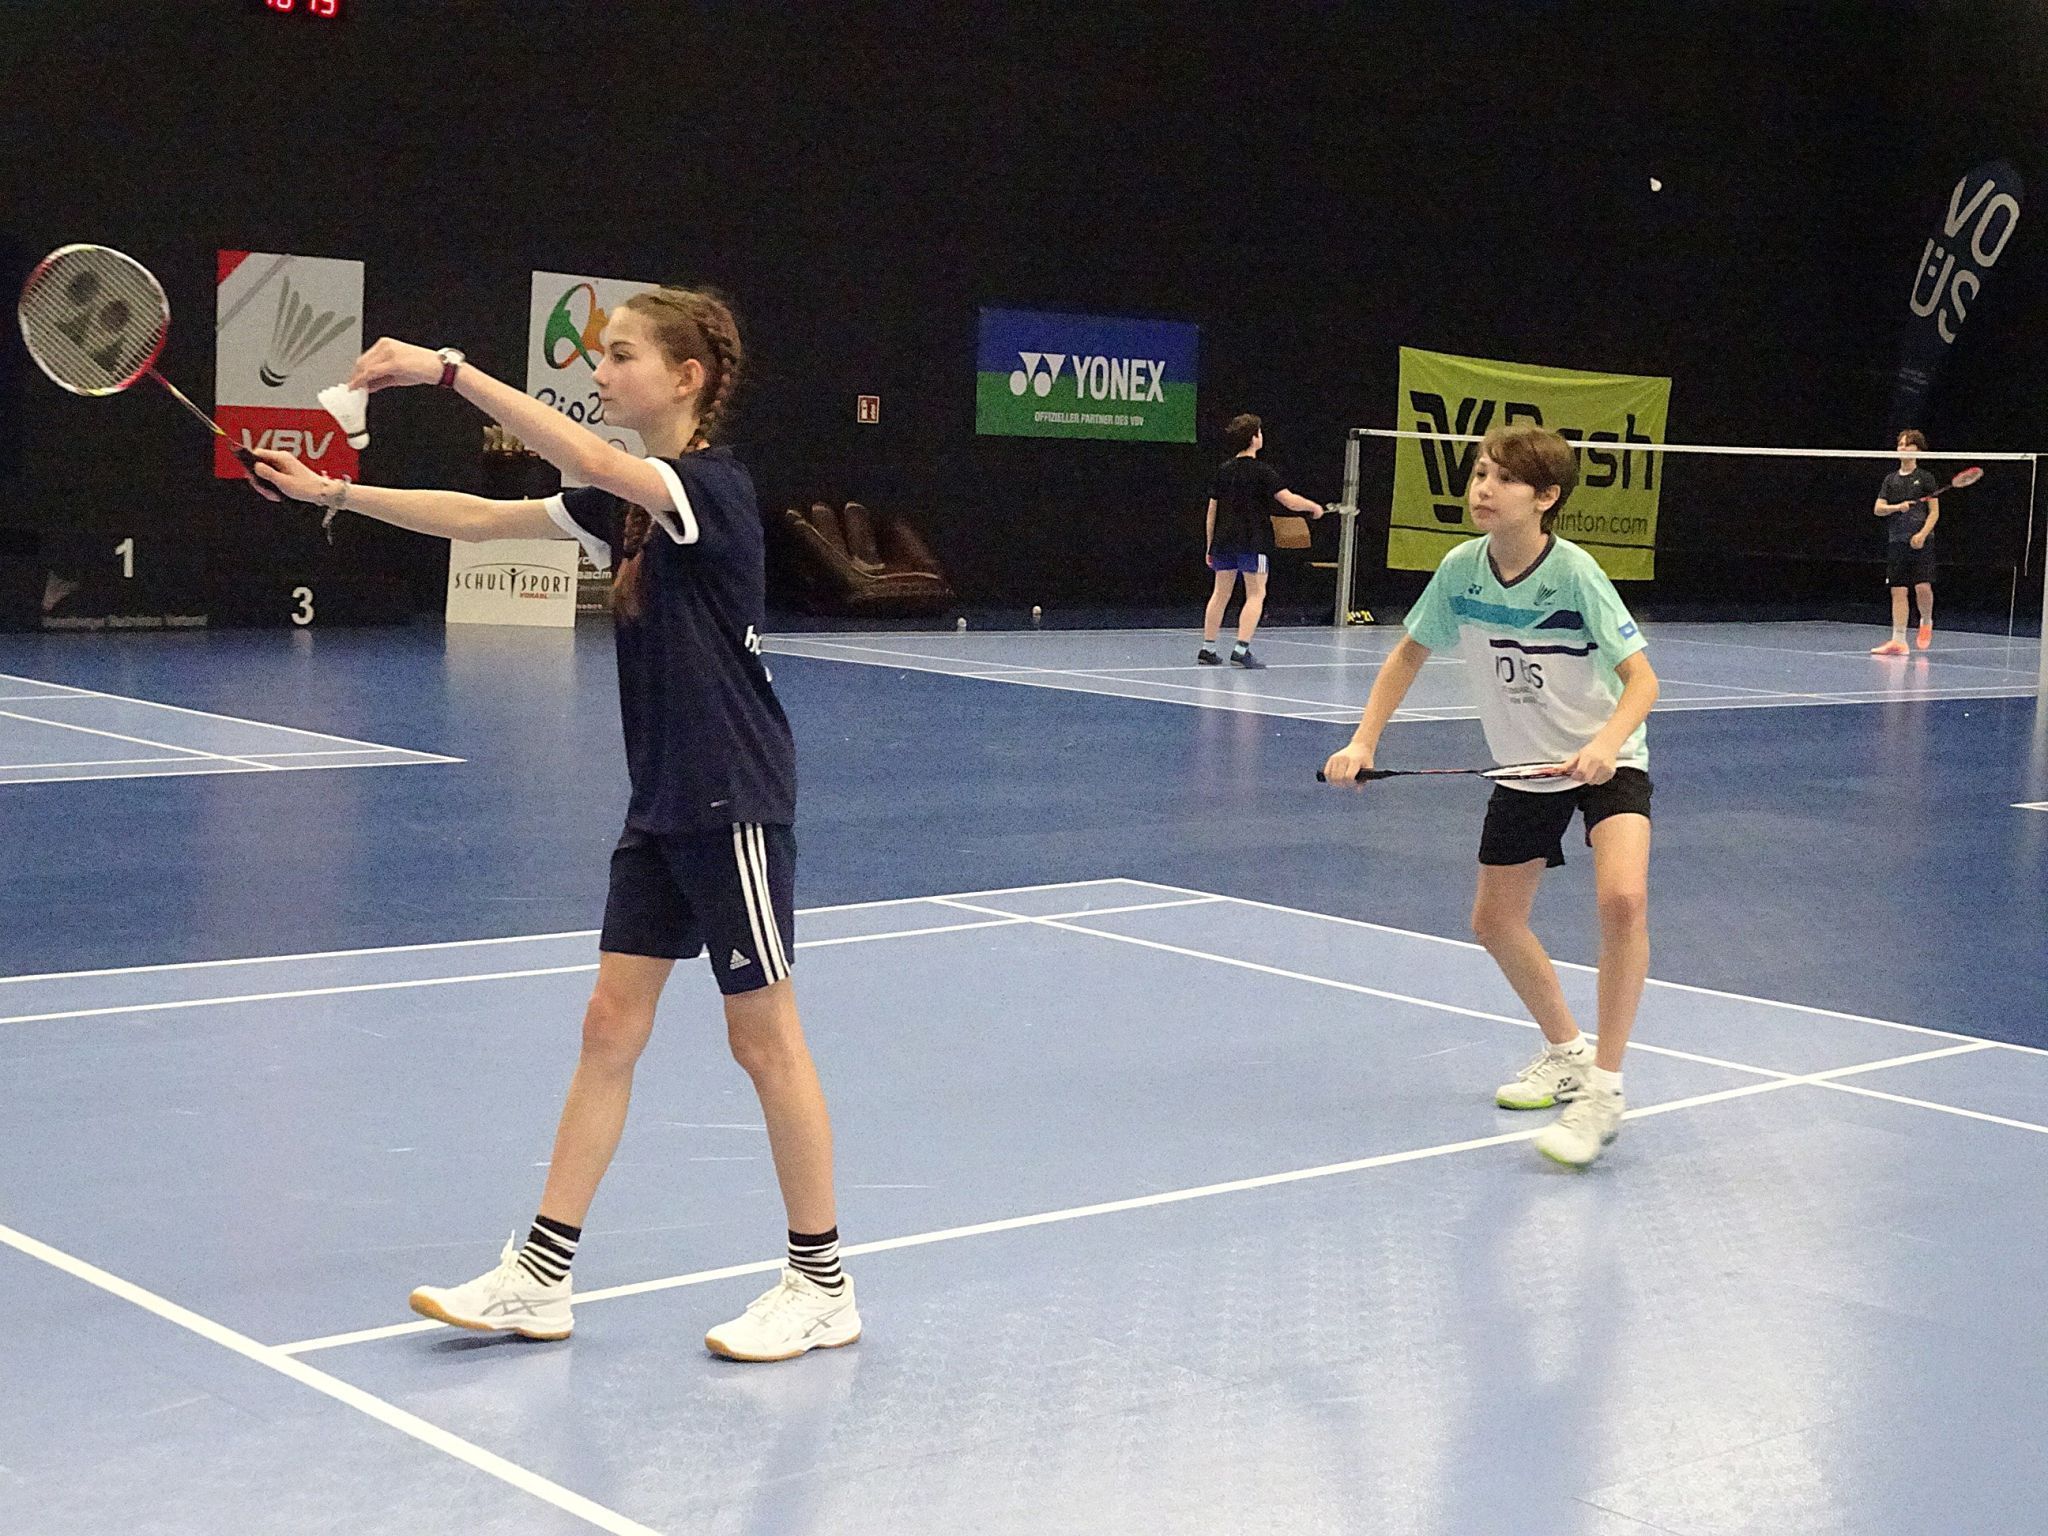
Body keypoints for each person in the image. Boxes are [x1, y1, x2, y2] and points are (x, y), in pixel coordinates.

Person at [246, 287, 859, 1361]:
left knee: (764, 1042)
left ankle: (822, 1284)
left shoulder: (704, 488)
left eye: (622, 356)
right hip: (662, 802)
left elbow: (590, 456)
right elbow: (480, 519)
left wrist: (447, 369)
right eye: (601, 355)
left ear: (687, 377)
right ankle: (538, 1278)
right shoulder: (626, 509)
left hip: (733, 798)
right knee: (608, 1027)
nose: (602, 371)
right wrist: (334, 493)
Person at [1321, 424, 1659, 1169]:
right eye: (1480, 474)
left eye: (1504, 479)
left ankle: (1604, 1089)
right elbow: (1408, 652)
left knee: (1622, 901)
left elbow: (1642, 681)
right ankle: (1567, 1053)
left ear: (1546, 497)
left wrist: (1605, 743)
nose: (1483, 489)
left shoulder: (1575, 574)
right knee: (1494, 921)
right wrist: (1363, 740)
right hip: (1525, 769)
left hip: (1606, 762)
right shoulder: (1461, 570)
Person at [1199, 413, 1326, 669]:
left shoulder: (1223, 471)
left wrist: (1210, 545)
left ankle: (1208, 648)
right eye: (1259, 432)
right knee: (1256, 594)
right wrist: (1314, 507)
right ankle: (1241, 650)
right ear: (1254, 437)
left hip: (1223, 542)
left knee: (1220, 594)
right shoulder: (1262, 471)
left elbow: (1211, 512)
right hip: (1252, 542)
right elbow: (1289, 500)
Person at [1870, 429, 1940, 655]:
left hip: (1921, 541)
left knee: (1922, 587)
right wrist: (1896, 507)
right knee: (1898, 590)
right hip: (1897, 541)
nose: (1903, 448)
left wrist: (1922, 534)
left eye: (1908, 444)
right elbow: (1878, 509)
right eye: (1900, 444)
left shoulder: (1926, 478)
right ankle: (1898, 640)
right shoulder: (1890, 480)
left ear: (1918, 450)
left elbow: (1934, 512)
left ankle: (1926, 620)